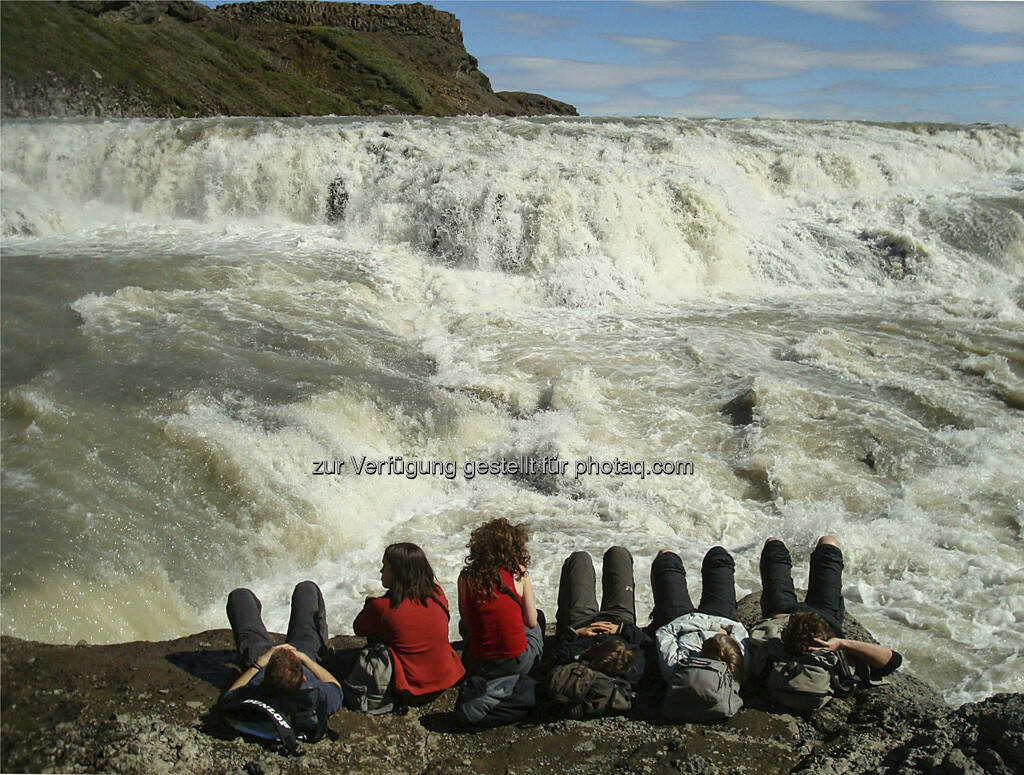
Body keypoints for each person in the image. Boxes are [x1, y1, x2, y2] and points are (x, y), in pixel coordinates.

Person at [759, 535, 902, 677]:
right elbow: (893, 659)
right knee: (827, 542)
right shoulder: (832, 660)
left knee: (774, 544)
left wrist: (776, 621)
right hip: (823, 616)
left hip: (783, 614)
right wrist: (841, 644)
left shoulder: (772, 656)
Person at [353, 542, 465, 701]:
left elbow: (359, 628)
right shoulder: (437, 593)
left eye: (385, 566)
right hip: (448, 678)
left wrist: (370, 605)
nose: (381, 571)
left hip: (413, 689)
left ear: (398, 572)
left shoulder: (382, 607)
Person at [222, 580, 343, 716]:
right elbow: (336, 687)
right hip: (305, 656)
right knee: (307, 588)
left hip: (259, 658)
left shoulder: (255, 694)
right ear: (303, 678)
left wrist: (259, 664)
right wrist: (305, 659)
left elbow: (229, 696)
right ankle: (319, 652)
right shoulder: (313, 698)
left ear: (265, 678)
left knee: (240, 596)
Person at [548, 547, 651, 685]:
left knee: (579, 559)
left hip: (581, 622)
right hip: (618, 620)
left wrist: (574, 633)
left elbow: (555, 656)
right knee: (618, 554)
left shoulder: (576, 664)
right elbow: (647, 644)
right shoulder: (632, 668)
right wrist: (621, 630)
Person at [457, 517, 542, 678]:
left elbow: (467, 621)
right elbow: (531, 621)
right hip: (517, 664)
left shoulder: (466, 577)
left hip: (480, 665)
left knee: (464, 624)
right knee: (538, 619)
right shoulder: (519, 572)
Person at [650, 546, 749, 683]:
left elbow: (664, 632)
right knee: (719, 555)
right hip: (721, 618)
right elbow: (738, 629)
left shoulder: (676, 670)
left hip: (679, 620)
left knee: (666, 558)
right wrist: (714, 627)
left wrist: (712, 628)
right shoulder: (736, 664)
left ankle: (658, 612)